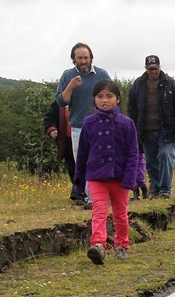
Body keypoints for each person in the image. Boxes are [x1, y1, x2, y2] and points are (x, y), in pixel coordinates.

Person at [74, 80, 138, 265]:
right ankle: (99, 245)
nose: (105, 100)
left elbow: (133, 153)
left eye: (109, 96)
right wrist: (79, 181)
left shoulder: (127, 123)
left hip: (120, 178)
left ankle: (122, 245)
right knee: (99, 211)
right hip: (96, 176)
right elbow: (83, 154)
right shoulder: (89, 123)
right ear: (94, 100)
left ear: (117, 99)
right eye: (100, 96)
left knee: (120, 213)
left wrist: (130, 179)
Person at [127, 55, 175, 199]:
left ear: (160, 67)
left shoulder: (170, 83)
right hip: (146, 129)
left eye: (155, 68)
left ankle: (165, 189)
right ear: (146, 69)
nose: (153, 72)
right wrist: (132, 128)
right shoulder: (138, 85)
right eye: (150, 69)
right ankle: (155, 190)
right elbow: (132, 108)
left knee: (166, 155)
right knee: (151, 161)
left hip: (167, 128)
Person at [56, 42, 111, 207]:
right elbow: (61, 101)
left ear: (91, 58)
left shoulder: (102, 74)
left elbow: (113, 96)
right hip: (79, 127)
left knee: (100, 161)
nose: (83, 61)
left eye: (86, 57)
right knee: (83, 162)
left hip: (101, 125)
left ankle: (97, 198)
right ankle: (89, 198)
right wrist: (70, 87)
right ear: (74, 59)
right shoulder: (67, 76)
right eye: (80, 58)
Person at [42, 101, 83, 205]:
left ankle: (85, 193)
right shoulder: (58, 104)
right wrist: (51, 129)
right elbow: (49, 118)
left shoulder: (86, 100)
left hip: (86, 139)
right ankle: (79, 194)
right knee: (73, 167)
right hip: (67, 141)